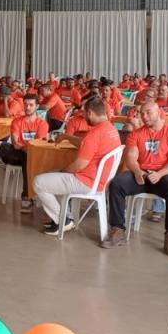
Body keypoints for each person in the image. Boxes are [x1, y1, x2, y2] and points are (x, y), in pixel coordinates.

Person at [102, 101, 168, 257]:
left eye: (148, 112)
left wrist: (160, 174)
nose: (144, 116)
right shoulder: (136, 134)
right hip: (141, 175)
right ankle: (117, 229)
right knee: (117, 184)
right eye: (142, 113)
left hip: (163, 176)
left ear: (159, 113)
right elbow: (131, 157)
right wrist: (137, 171)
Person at [32, 98, 120, 235]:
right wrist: (67, 137)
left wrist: (63, 172)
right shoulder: (111, 129)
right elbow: (86, 144)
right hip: (101, 180)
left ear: (90, 113)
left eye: (84, 114)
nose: (83, 117)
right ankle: (65, 217)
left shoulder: (95, 134)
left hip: (87, 181)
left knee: (38, 182)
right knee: (53, 175)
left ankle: (63, 221)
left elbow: (79, 165)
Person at [0, 93, 49, 215]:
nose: (28, 107)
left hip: (34, 155)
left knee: (28, 157)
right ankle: (27, 196)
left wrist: (25, 146)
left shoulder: (42, 124)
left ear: (37, 106)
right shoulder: (17, 122)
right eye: (25, 104)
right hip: (18, 153)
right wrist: (25, 146)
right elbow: (15, 143)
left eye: (31, 105)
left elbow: (37, 144)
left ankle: (26, 196)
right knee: (4, 146)